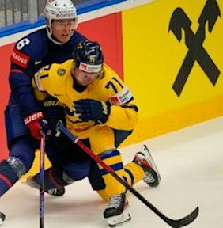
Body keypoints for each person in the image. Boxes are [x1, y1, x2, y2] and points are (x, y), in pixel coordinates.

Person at [27, 39, 161, 227]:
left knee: (100, 137)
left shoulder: (109, 82)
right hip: (74, 135)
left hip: (104, 129)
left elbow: (132, 116)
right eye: (85, 71)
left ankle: (118, 198)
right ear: (74, 66)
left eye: (94, 71)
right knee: (104, 190)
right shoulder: (55, 75)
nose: (90, 76)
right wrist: (48, 108)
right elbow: (36, 86)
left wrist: (105, 111)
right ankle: (141, 166)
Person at [0, 0, 87, 222]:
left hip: (60, 112)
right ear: (48, 23)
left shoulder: (82, 46)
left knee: (79, 167)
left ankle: (42, 182)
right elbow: (18, 83)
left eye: (70, 21)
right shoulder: (28, 45)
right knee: (21, 158)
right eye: (60, 22)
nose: (66, 28)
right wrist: (32, 114)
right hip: (25, 106)